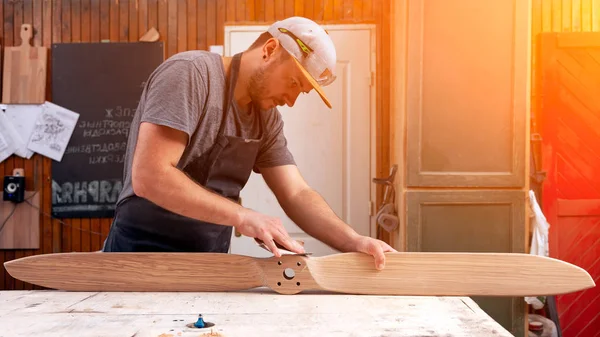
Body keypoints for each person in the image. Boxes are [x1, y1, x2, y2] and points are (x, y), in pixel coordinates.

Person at [102, 16, 396, 270]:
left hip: (209, 266)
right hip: (138, 257)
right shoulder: (191, 74)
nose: (291, 101)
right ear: (270, 50)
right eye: (293, 83)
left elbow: (296, 193)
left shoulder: (266, 119)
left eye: (301, 93)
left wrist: (353, 240)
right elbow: (150, 176)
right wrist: (242, 216)